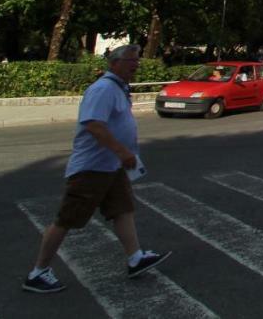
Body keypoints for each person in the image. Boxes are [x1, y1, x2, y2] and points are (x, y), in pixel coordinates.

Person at [23, 44, 170, 293]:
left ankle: (135, 258)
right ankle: (38, 272)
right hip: (93, 168)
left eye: (137, 61)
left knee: (122, 209)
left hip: (111, 166)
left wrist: (122, 155)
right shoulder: (102, 89)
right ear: (115, 63)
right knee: (67, 219)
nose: (136, 65)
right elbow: (93, 124)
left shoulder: (117, 88)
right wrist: (121, 151)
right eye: (131, 61)